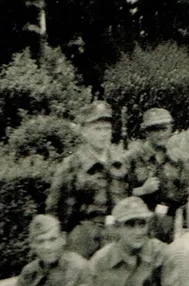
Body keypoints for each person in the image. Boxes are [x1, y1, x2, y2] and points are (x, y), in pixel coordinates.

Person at [45, 101, 129, 258]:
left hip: (118, 236)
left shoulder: (121, 162)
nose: (103, 134)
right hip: (84, 239)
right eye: (97, 129)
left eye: (107, 129)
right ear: (84, 131)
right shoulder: (71, 165)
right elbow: (54, 210)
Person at [126, 107, 185, 243]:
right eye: (155, 130)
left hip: (168, 229)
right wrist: (141, 191)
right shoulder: (132, 159)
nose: (160, 134)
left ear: (171, 129)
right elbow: (118, 196)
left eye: (164, 129)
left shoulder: (178, 160)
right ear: (146, 131)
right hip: (138, 229)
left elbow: (184, 198)